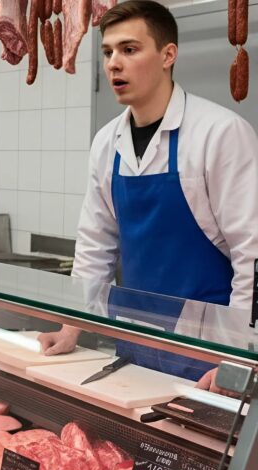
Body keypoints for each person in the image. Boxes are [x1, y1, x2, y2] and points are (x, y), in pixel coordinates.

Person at [38, 1, 258, 391]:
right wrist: (71, 325)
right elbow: (95, 244)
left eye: (129, 49)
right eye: (107, 52)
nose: (113, 63)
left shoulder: (220, 133)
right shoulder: (107, 141)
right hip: (135, 347)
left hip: (208, 353)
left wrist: (239, 358)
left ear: (167, 55)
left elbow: (252, 254)